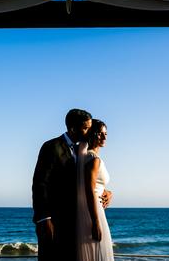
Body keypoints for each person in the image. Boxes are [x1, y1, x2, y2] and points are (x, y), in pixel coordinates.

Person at [32, 109, 92, 261]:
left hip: (75, 221)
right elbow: (40, 183)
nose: (88, 132)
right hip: (53, 221)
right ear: (72, 128)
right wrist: (44, 219)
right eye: (85, 128)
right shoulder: (52, 147)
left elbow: (86, 180)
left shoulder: (83, 150)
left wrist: (104, 192)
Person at [76, 119, 114, 261]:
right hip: (94, 211)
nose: (104, 137)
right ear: (92, 134)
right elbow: (89, 190)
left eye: (105, 134)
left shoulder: (86, 157)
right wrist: (95, 222)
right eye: (100, 133)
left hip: (87, 210)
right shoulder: (94, 159)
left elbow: (95, 186)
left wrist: (107, 192)